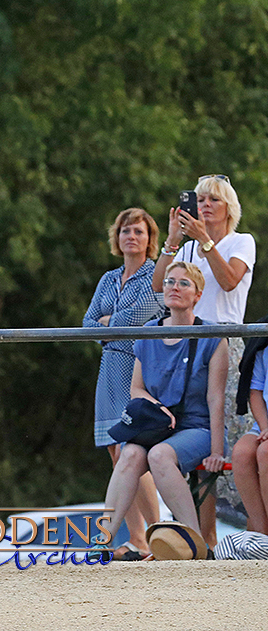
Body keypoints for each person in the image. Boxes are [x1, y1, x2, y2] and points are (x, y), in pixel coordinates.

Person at [92, 262, 227, 554]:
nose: (174, 288)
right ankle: (101, 543)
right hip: (159, 426)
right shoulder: (148, 332)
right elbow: (136, 388)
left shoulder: (213, 337)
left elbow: (216, 399)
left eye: (183, 283)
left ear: (198, 295)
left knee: (159, 455)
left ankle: (194, 544)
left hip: (196, 427)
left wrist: (217, 450)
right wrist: (157, 408)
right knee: (128, 453)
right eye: (169, 282)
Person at [152, 174, 255, 544]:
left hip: (227, 344)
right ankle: (205, 537)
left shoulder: (241, 242)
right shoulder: (189, 248)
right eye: (199, 199)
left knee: (231, 442)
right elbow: (158, 286)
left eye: (213, 200)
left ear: (229, 208)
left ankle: (252, 533)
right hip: (189, 347)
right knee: (197, 440)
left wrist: (205, 240)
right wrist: (174, 241)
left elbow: (229, 282)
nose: (205, 205)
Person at [82, 208, 162, 559]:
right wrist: (111, 325)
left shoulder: (154, 276)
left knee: (136, 451)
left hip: (140, 366)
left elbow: (141, 316)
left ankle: (161, 533)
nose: (132, 236)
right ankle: (138, 540)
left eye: (139, 231)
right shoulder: (107, 279)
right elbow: (86, 325)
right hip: (109, 366)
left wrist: (109, 322)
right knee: (117, 454)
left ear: (149, 239)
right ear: (117, 237)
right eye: (126, 230)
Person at [232, 344, 268, 535]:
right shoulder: (264, 345)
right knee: (241, 453)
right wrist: (265, 427)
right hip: (265, 425)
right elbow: (255, 392)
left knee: (266, 452)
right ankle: (263, 537)